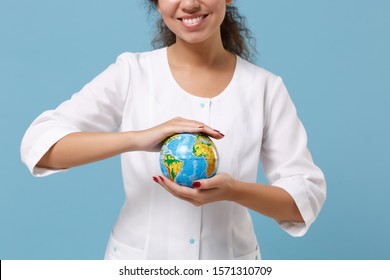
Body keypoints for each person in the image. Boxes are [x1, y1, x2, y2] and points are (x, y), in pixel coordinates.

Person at [21, 0, 326, 260]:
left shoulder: (265, 88)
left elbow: (304, 201)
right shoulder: (132, 73)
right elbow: (41, 147)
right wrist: (138, 138)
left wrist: (234, 191)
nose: (190, 3)